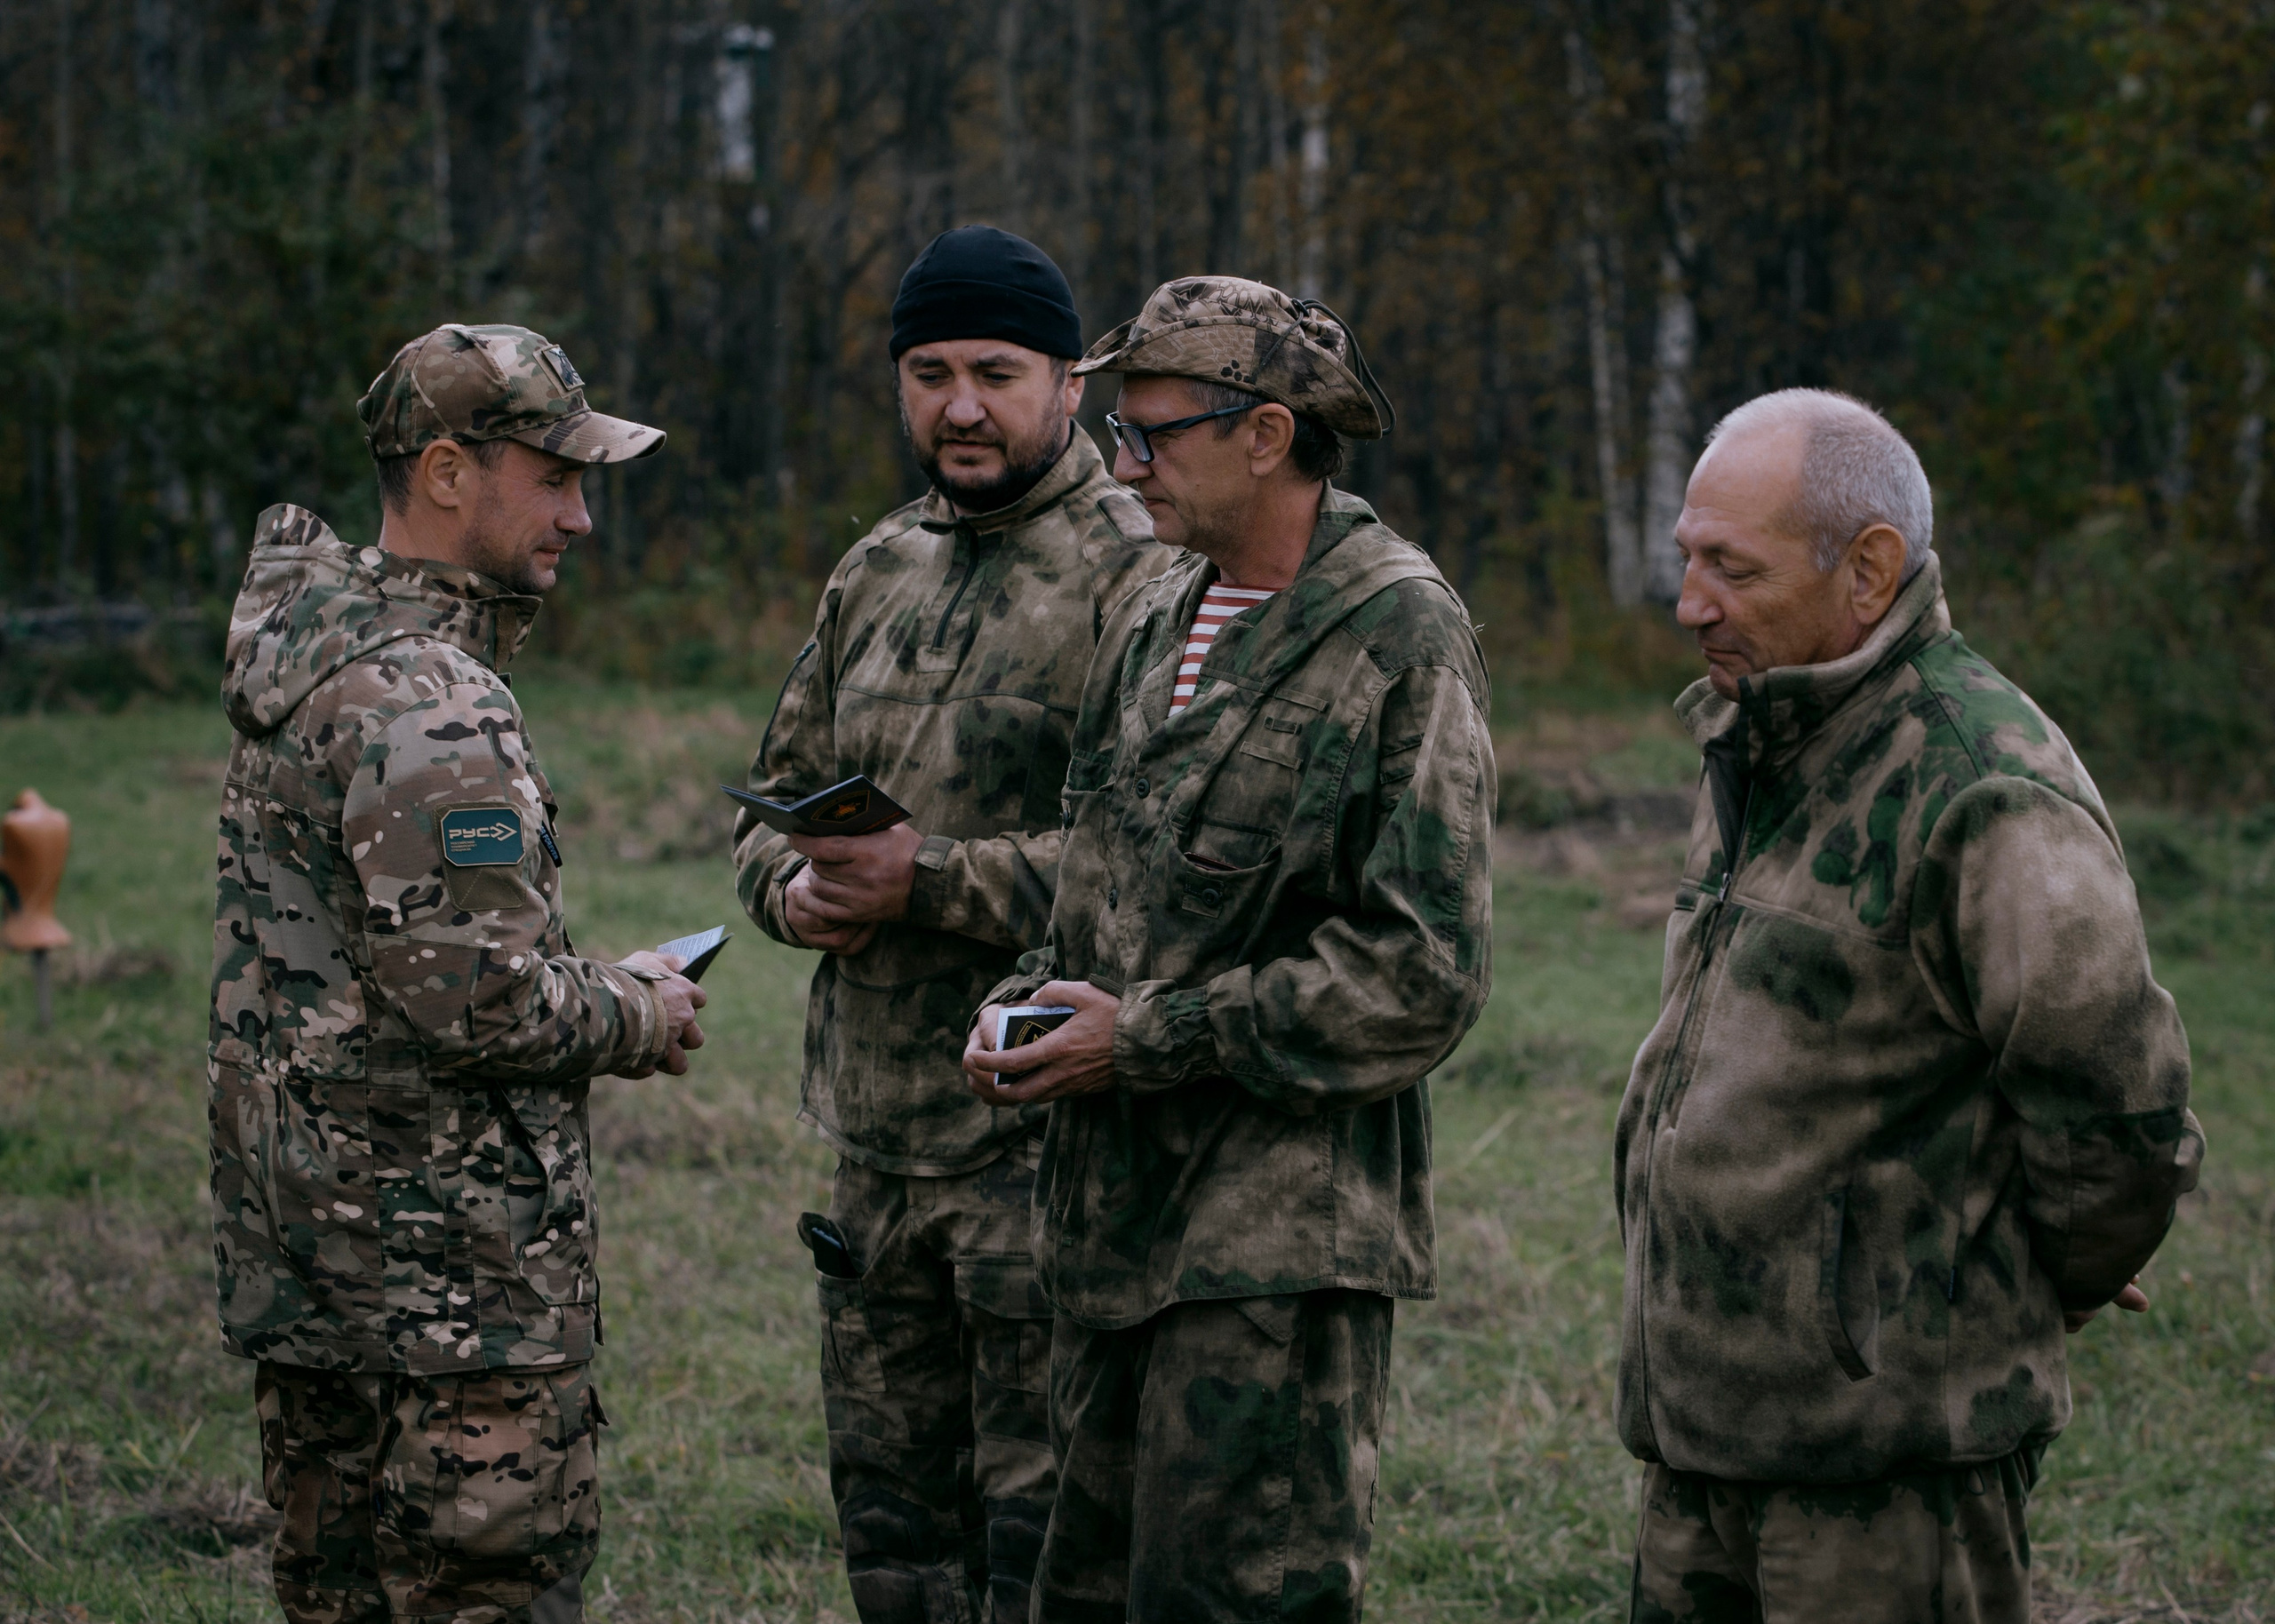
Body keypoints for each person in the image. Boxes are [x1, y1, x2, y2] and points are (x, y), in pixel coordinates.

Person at [1616, 388, 2204, 1623]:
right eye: (1687, 560)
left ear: (1869, 569)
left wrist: (2036, 1279)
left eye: (1730, 566)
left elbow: (2116, 1117)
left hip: (1885, 1480)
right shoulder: (1768, 735)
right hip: (1707, 1440)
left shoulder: (1982, 783)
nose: (1691, 605)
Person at [961, 275, 1497, 1623]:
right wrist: (1027, 1006)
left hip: (1273, 1254)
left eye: (1156, 434)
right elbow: (1097, 870)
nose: (1123, 463)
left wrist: (1142, 1038)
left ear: (1268, 436)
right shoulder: (1153, 608)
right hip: (1110, 1223)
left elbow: (1421, 974)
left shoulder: (1399, 632)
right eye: (1122, 433)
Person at [208, 322, 707, 1624]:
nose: (582, 516)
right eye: (554, 477)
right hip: (455, 1298)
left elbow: (385, 968)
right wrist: (637, 1009)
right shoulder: (431, 699)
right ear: (445, 473)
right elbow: (480, 999)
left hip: (320, 1269)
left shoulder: (314, 659)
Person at [730, 226, 1170, 1624]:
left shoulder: (1142, 571)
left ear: (1067, 379)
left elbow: (1162, 869)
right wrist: (792, 891)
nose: (960, 406)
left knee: (1042, 1561)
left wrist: (928, 881)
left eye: (996, 372)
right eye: (929, 373)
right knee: (895, 1547)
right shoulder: (877, 568)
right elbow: (768, 807)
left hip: (1041, 1165)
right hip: (873, 1165)